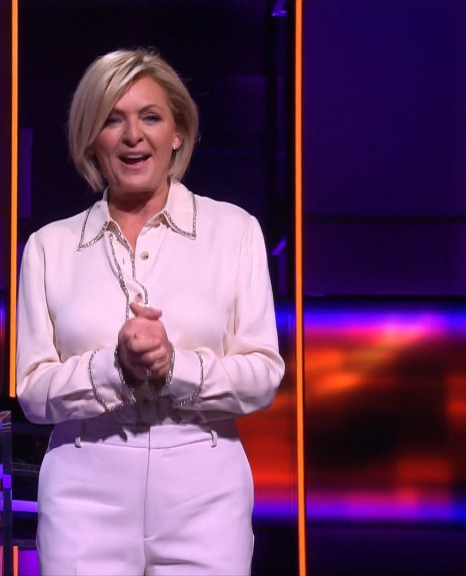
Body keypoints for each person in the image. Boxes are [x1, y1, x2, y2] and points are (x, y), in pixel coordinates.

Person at [15, 48, 285, 575]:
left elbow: (262, 375)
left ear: (178, 132)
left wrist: (173, 367)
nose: (133, 136)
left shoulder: (234, 231)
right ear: (92, 138)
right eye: (112, 120)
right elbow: (32, 391)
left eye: (151, 117)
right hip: (83, 490)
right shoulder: (49, 247)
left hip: (204, 488)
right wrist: (113, 368)